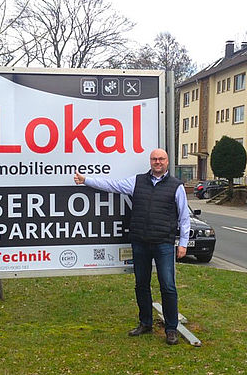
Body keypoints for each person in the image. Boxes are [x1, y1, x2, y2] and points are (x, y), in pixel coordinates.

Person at [73, 148, 190, 345]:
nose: (157, 162)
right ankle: (145, 323)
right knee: (141, 285)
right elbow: (112, 185)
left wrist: (183, 244)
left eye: (161, 159)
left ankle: (171, 329)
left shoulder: (176, 186)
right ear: (150, 161)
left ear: (167, 162)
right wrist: (86, 180)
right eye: (154, 159)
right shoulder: (137, 181)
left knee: (168, 286)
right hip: (140, 242)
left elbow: (184, 217)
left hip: (164, 244)